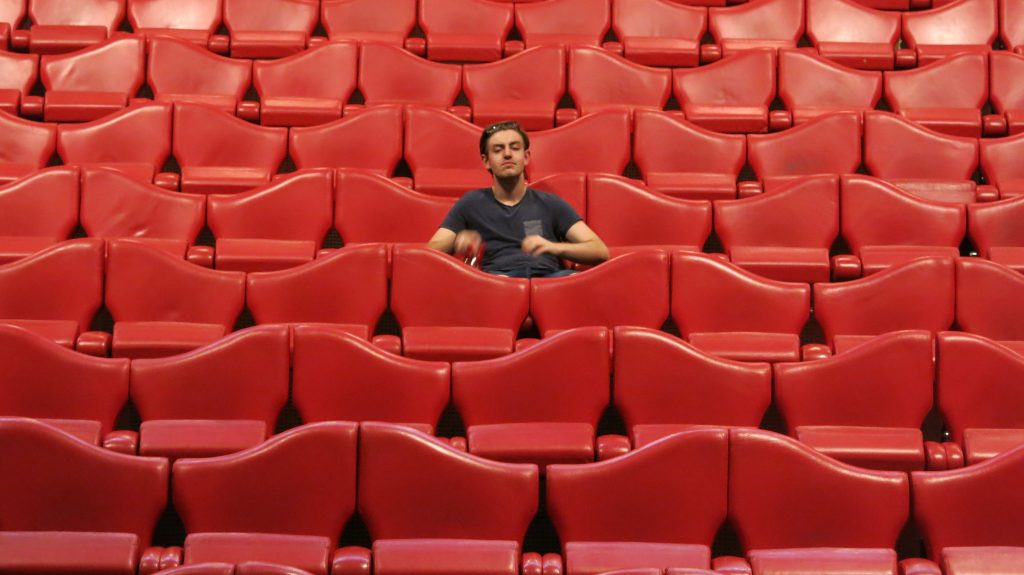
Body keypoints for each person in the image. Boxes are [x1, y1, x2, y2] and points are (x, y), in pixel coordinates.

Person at [427, 120, 609, 277]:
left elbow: (599, 250)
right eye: (498, 150)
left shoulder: (550, 203)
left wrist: (552, 247)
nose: (507, 154)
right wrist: (457, 240)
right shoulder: (471, 203)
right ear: (486, 161)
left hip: (550, 280)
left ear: (526, 156)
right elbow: (431, 251)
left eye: (515, 148)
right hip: (498, 281)